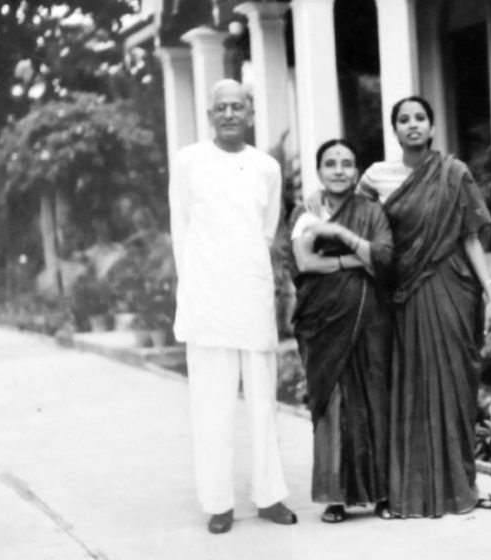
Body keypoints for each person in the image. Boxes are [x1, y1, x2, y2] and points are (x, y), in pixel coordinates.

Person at [361, 96, 491, 518]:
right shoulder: (377, 178)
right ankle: (412, 491)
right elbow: (357, 221)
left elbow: (470, 237)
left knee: (458, 389)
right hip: (405, 294)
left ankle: (464, 485)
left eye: (420, 118)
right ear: (395, 130)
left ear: (432, 127)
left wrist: (490, 295)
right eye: (403, 120)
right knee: (413, 389)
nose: (413, 125)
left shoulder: (454, 173)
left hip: (454, 290)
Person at [168, 79, 297, 534]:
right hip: (206, 296)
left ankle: (269, 496)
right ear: (209, 115)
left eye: (236, 106)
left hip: (251, 294)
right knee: (211, 403)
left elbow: (266, 230)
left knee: (263, 400)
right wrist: (191, 291)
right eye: (220, 107)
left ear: (250, 114)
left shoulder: (265, 167)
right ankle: (218, 502)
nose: (228, 113)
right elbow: (180, 227)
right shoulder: (189, 162)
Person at [287, 139, 393, 523]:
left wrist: (343, 236)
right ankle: (334, 497)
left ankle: (382, 493)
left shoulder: (371, 211)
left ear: (356, 170)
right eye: (330, 163)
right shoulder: (305, 210)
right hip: (322, 322)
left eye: (347, 163)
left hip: (370, 321)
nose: (338, 170)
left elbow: (383, 257)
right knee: (331, 406)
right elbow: (304, 261)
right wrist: (353, 259)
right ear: (319, 172)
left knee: (374, 400)